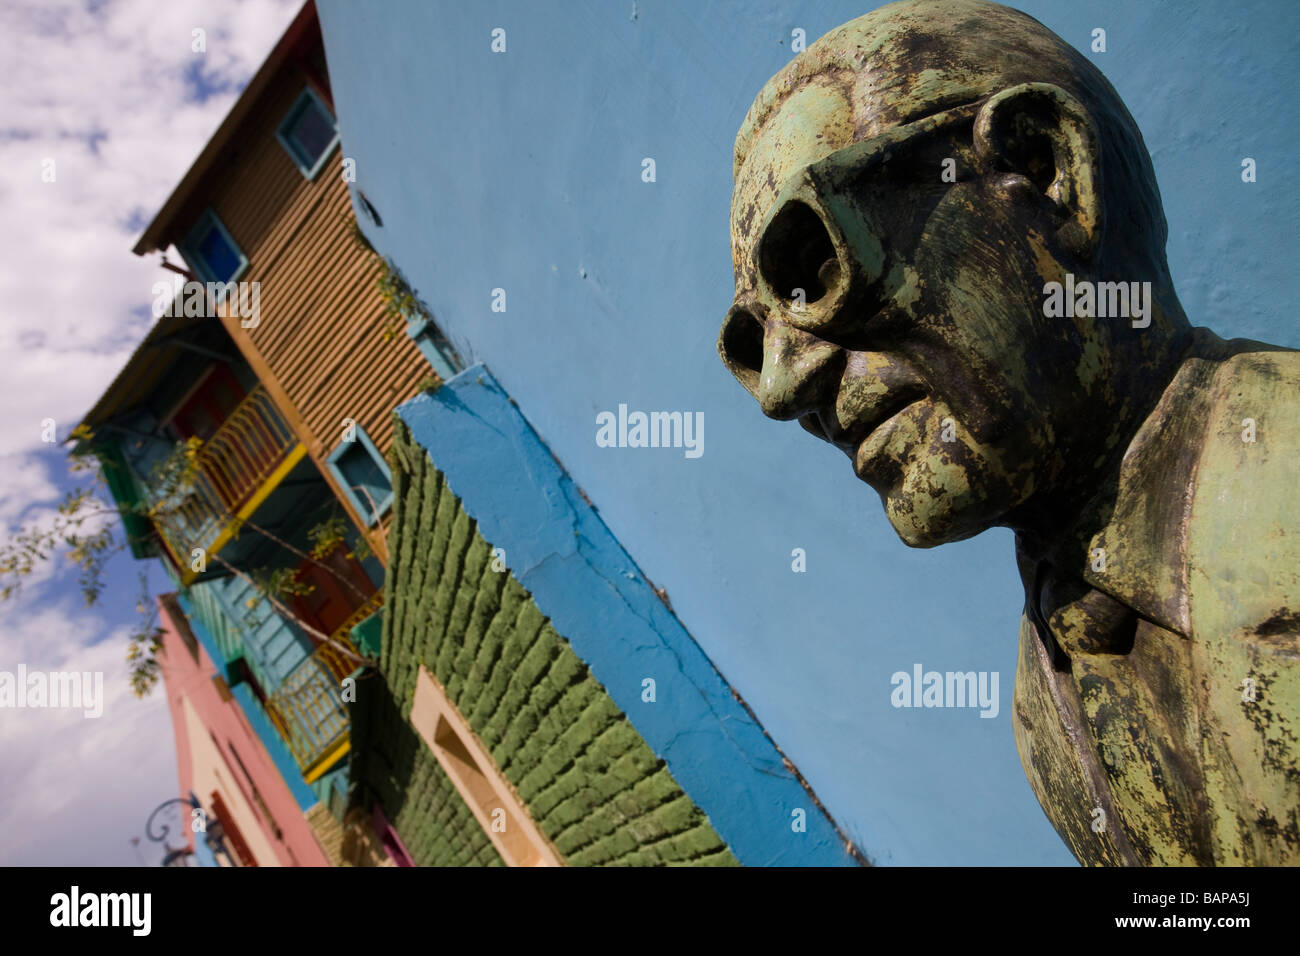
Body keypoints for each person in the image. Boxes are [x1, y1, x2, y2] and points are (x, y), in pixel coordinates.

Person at [718, 0, 1299, 865]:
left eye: (812, 267)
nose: (781, 388)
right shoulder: (1043, 717)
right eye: (751, 341)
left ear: (1045, 168)